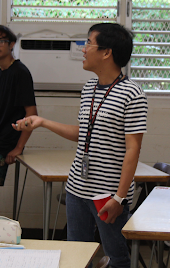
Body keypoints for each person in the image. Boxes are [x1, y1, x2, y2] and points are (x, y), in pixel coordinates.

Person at [13, 23, 148, 268]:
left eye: (88, 43)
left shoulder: (132, 93)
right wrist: (42, 122)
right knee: (77, 252)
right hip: (77, 186)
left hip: (107, 194)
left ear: (107, 52)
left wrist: (119, 198)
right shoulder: (89, 89)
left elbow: (133, 150)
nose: (83, 49)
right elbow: (84, 133)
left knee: (116, 255)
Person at [0, 25, 37, 186]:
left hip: (5, 144)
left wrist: (19, 147)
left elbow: (31, 114)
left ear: (12, 44)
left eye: (1, 41)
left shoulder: (20, 72)